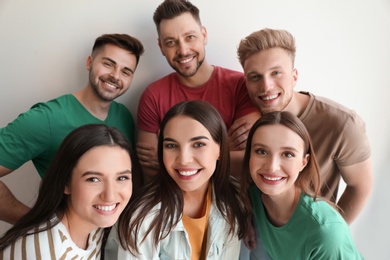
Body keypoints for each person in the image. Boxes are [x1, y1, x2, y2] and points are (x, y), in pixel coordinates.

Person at [0, 33, 145, 225]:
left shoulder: (124, 116)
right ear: (89, 63)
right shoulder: (46, 118)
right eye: (108, 64)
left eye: (126, 71)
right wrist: (33, 223)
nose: (116, 76)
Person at [237, 28, 372, 225]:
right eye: (255, 77)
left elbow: (360, 185)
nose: (266, 86)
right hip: (264, 235)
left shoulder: (341, 123)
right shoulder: (249, 120)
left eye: (276, 73)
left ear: (294, 76)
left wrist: (332, 233)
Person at [105, 100, 247, 259]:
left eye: (198, 144)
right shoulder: (142, 219)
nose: (184, 159)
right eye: (171, 146)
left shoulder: (235, 200)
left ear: (220, 149)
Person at [136, 0, 260, 182]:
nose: (183, 50)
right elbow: (152, 171)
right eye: (171, 42)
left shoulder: (240, 85)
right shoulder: (153, 96)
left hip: (233, 198)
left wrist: (171, 157)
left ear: (204, 35)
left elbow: (248, 161)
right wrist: (224, 148)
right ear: (161, 47)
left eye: (190, 37)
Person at [0, 124, 139, 259]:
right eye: (93, 179)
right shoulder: (43, 250)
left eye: (122, 177)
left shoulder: (94, 227)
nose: (110, 196)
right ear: (65, 183)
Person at [240, 111, 362, 259]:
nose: (272, 167)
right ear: (249, 156)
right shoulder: (254, 195)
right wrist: (246, 221)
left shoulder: (325, 233)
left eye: (288, 154)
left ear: (304, 162)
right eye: (261, 151)